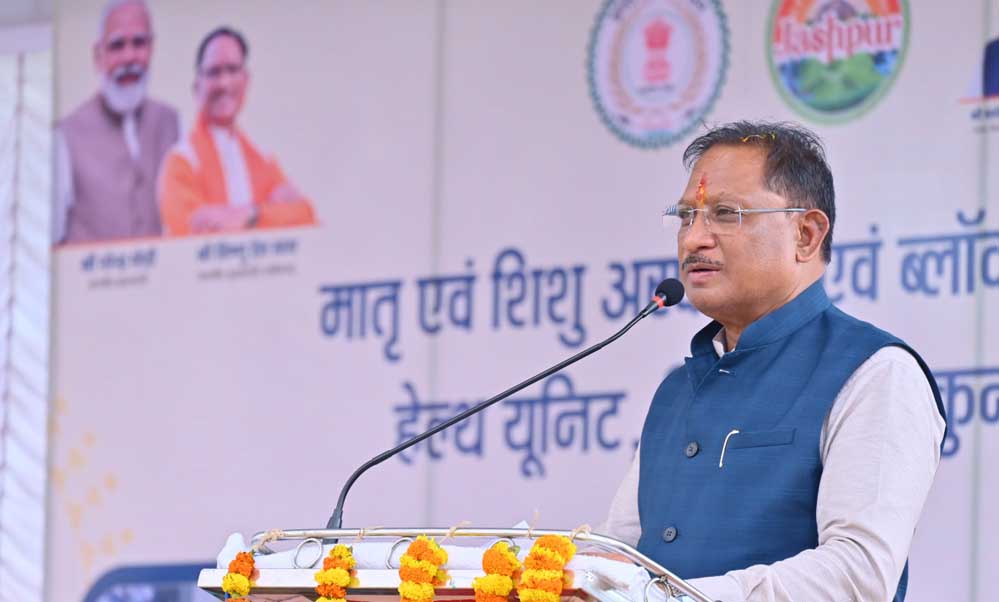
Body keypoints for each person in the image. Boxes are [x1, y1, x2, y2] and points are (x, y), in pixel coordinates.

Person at [599, 122, 946, 602]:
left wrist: (678, 598)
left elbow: (858, 576)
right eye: (685, 217)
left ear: (806, 234)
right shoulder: (677, 390)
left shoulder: (875, 371)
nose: (693, 239)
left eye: (725, 214)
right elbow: (619, 556)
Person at [158, 26, 316, 235]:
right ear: (197, 86)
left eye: (232, 70)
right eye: (214, 72)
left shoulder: (262, 159)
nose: (224, 83)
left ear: (246, 80)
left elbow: (305, 215)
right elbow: (195, 234)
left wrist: (251, 215)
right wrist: (272, 213)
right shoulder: (182, 160)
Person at [55, 0, 179, 244]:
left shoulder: (171, 121)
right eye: (117, 45)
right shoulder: (66, 134)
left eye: (139, 43)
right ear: (98, 55)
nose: (129, 57)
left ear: (152, 48)